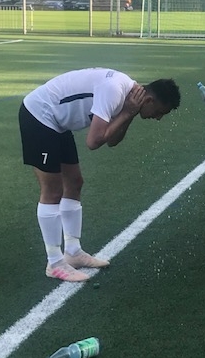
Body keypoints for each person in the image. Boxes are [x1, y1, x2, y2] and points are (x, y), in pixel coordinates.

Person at [19, 68, 181, 282]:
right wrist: (126, 113)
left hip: (57, 122)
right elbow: (93, 141)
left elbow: (112, 140)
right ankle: (55, 262)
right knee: (53, 190)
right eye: (160, 111)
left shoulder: (130, 100)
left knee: (74, 183)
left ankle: (73, 252)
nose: (158, 118)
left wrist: (128, 114)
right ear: (149, 100)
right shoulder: (114, 91)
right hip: (39, 114)